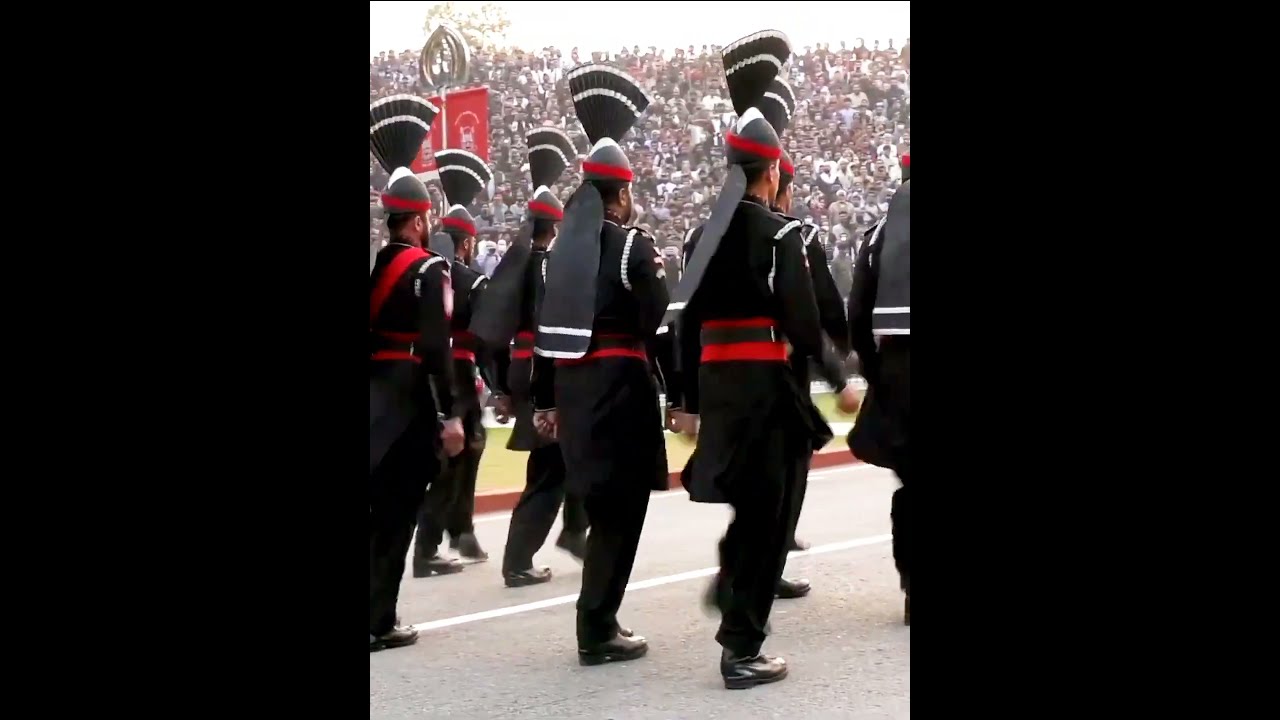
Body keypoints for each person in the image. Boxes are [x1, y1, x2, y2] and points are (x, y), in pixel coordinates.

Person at [664, 30, 848, 689]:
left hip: (718, 388)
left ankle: (735, 605)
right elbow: (800, 319)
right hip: (767, 389)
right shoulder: (780, 232)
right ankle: (742, 647)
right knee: (771, 515)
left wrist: (681, 399)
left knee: (750, 506)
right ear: (770, 171)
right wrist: (835, 376)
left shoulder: (696, 236)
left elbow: (678, 323)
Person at [532, 62, 668, 665]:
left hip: (572, 390)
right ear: (623, 192)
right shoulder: (632, 244)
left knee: (601, 505)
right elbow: (656, 319)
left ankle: (598, 619)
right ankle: (598, 628)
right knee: (622, 510)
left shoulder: (556, 254)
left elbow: (543, 334)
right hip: (620, 388)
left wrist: (543, 402)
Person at [472, 126, 590, 587]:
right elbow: (550, 332)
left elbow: (490, 333)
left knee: (569, 458)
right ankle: (520, 558)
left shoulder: (514, 266)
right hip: (548, 372)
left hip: (522, 370)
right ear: (556, 225)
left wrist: (501, 386)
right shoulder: (547, 266)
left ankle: (573, 530)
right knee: (549, 470)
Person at [368, 94, 465, 652]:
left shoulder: (375, 267)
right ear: (424, 219)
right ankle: (379, 621)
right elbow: (436, 345)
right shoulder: (431, 269)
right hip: (406, 402)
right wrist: (450, 412)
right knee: (395, 515)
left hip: (372, 396)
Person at [413, 149, 499, 577]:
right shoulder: (471, 281)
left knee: (452, 456)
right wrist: (498, 384)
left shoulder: (424, 273)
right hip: (460, 374)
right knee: (460, 454)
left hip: (424, 371)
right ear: (467, 243)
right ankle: (432, 543)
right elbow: (484, 339)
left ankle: (458, 530)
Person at [847, 157, 911, 625]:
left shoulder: (876, 238)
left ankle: (912, 588)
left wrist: (875, 372)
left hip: (896, 371)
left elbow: (857, 317)